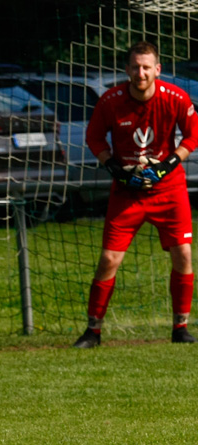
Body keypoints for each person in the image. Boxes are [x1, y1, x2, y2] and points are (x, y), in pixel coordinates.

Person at [73, 40, 197, 348]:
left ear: (157, 69)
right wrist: (115, 168)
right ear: (127, 70)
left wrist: (168, 164)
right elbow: (93, 137)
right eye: (135, 67)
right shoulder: (110, 100)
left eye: (146, 67)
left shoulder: (176, 97)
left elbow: (193, 135)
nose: (140, 73)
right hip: (127, 192)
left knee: (183, 254)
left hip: (169, 190)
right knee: (108, 259)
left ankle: (180, 327)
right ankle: (93, 331)